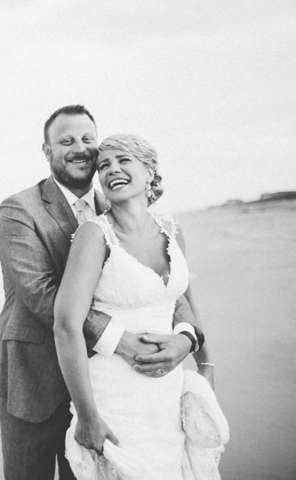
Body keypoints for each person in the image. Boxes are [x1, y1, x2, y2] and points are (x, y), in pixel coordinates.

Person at [0, 105, 205, 480]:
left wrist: (187, 339)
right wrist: (119, 339)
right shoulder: (18, 209)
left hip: (108, 383)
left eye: (87, 140)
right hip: (36, 378)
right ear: (47, 151)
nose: (79, 148)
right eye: (66, 141)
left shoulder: (118, 203)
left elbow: (158, 284)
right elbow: (41, 293)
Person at [52, 133, 225, 478]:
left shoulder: (173, 230)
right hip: (116, 400)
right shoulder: (93, 234)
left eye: (122, 160)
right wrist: (87, 416)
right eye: (104, 165)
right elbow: (66, 324)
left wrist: (205, 363)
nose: (111, 170)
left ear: (149, 172)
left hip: (167, 395)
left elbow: (182, 298)